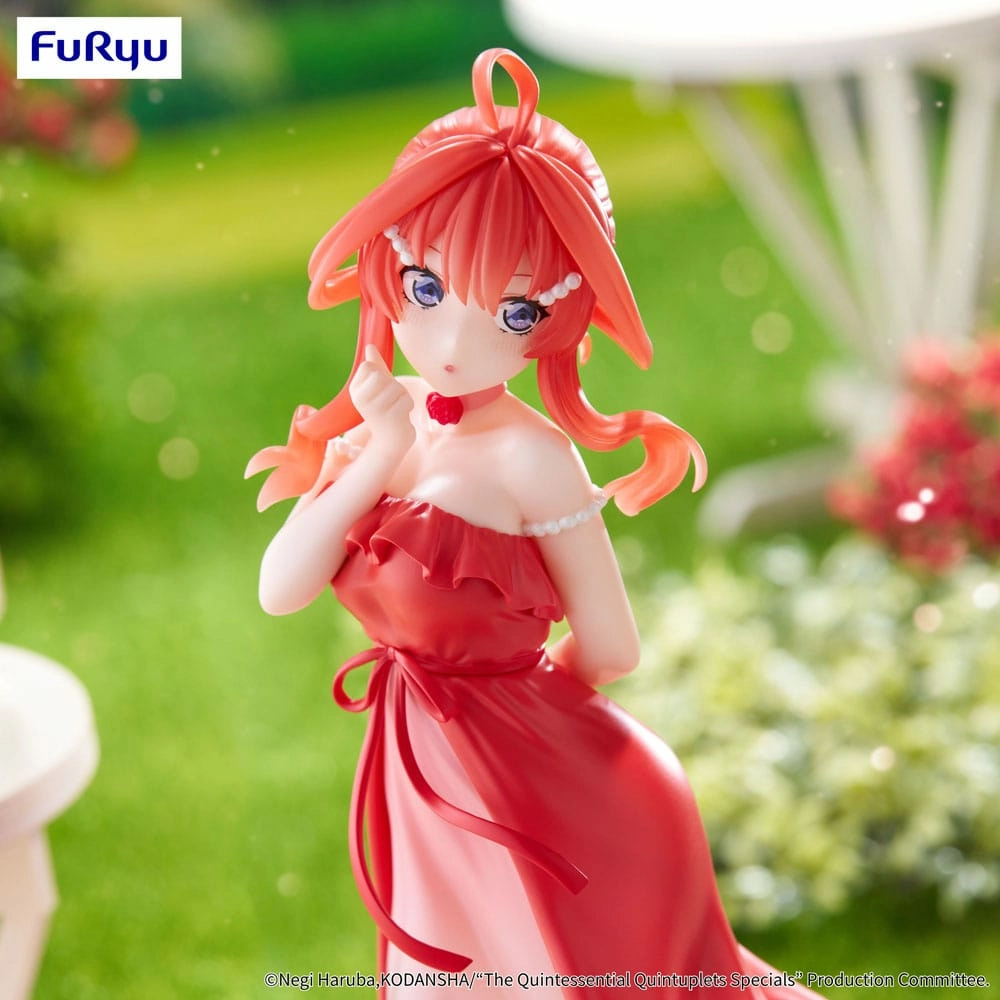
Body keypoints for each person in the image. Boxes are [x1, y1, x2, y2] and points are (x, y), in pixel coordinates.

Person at [248, 48, 822, 999]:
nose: (452, 343)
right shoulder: (385, 425)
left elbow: (612, 646)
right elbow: (280, 588)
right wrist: (379, 456)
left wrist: (511, 712)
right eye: (426, 289)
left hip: (525, 781)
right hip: (420, 767)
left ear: (559, 315)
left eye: (512, 311)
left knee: (541, 968)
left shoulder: (533, 459)